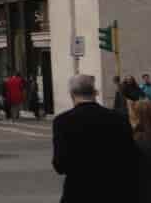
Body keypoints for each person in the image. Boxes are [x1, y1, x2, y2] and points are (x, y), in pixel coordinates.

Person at [53, 73, 139, 203]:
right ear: (95, 93)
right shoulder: (118, 118)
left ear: (72, 94)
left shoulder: (63, 121)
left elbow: (60, 164)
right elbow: (131, 156)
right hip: (115, 191)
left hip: (79, 192)